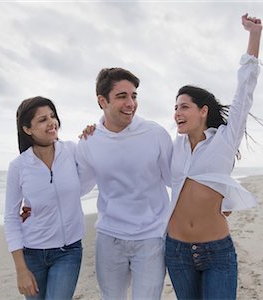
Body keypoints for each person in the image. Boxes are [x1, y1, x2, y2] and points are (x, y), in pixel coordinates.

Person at [165, 14, 263, 299]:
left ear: (203, 110)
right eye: (175, 108)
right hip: (177, 251)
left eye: (184, 106)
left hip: (216, 251)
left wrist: (254, 35)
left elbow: (246, 89)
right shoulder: (172, 146)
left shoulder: (225, 139)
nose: (177, 113)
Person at [75, 68, 173, 299]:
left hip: (151, 236)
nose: (131, 103)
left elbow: (175, 180)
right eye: (122, 96)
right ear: (102, 101)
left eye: (134, 96)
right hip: (110, 238)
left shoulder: (155, 133)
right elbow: (78, 187)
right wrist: (33, 202)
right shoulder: (90, 141)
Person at [4, 96, 84, 300]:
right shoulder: (19, 166)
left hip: (68, 251)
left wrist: (93, 135)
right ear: (27, 129)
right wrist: (21, 270)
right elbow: (11, 217)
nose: (51, 122)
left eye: (52, 116)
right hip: (32, 254)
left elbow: (88, 179)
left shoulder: (73, 150)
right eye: (42, 120)